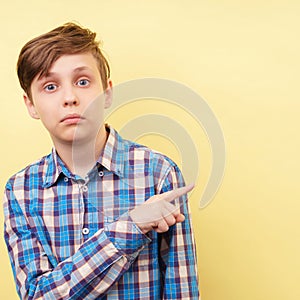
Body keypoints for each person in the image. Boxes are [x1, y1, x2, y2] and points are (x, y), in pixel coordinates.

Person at [3, 22, 199, 299]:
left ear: (107, 92)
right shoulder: (20, 192)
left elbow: (182, 290)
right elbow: (36, 295)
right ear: (31, 105)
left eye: (83, 82)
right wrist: (131, 226)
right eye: (50, 86)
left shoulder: (158, 173)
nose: (70, 98)